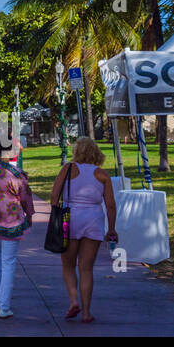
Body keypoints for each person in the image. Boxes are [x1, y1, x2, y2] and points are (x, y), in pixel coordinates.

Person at [50, 137, 118, 325]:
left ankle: (73, 301)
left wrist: (55, 216)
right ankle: (87, 313)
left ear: (76, 151)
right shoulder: (103, 175)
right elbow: (111, 206)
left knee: (68, 264)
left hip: (70, 219)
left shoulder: (68, 169)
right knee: (86, 268)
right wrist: (112, 229)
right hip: (94, 221)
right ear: (96, 153)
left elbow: (54, 196)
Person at [0, 139, 37, 318]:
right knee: (8, 262)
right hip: (11, 222)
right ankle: (4, 306)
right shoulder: (17, 175)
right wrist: (29, 216)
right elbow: (26, 200)